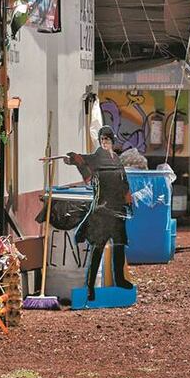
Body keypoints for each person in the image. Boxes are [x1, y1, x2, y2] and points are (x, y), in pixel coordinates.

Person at [64, 126, 134, 302]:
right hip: (102, 210)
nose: (105, 142)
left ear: (112, 141)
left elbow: (124, 182)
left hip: (118, 210)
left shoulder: (117, 159)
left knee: (119, 245)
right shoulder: (97, 158)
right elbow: (83, 160)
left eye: (108, 140)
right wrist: (72, 158)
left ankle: (120, 279)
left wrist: (128, 201)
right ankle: (89, 287)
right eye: (102, 139)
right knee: (98, 248)